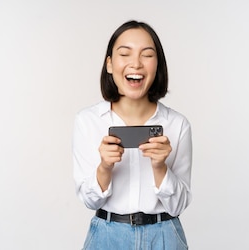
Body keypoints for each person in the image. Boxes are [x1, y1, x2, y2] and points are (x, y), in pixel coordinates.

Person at [73, 20, 192, 250]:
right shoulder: (87, 121)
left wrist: (160, 168)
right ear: (109, 64)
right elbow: (90, 201)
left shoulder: (177, 125)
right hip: (107, 236)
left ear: (157, 64)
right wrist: (104, 167)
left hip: (165, 236)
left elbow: (178, 206)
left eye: (147, 55)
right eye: (125, 54)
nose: (135, 63)